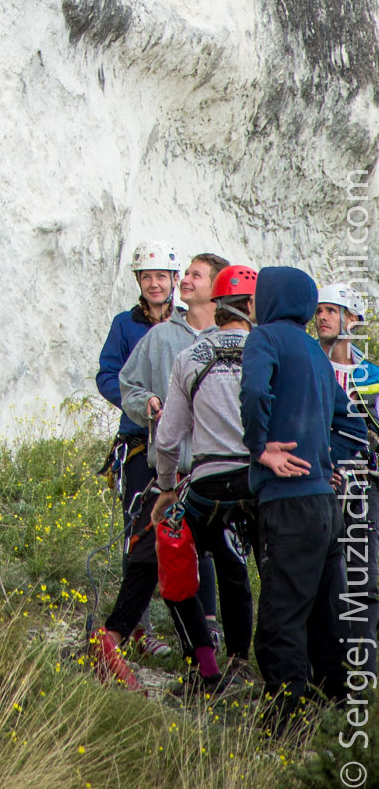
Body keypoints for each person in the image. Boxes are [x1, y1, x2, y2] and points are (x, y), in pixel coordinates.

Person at [93, 252, 231, 686]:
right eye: (148, 276)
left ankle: (216, 652)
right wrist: (143, 406)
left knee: (207, 558)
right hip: (162, 459)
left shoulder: (226, 342)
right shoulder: (146, 335)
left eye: (188, 275)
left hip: (212, 469)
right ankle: (133, 639)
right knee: (158, 553)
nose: (164, 283)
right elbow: (117, 379)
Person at [240, 265, 367, 728]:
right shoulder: (317, 353)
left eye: (258, 294)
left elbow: (254, 390)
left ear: (272, 299)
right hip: (324, 507)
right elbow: (353, 425)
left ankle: (286, 724)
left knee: (279, 621)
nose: (253, 304)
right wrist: (325, 462)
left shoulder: (266, 338)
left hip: (288, 501)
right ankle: (336, 719)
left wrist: (261, 449)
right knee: (322, 617)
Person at [151, 265, 260, 695]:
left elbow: (168, 437)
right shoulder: (266, 351)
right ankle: (243, 662)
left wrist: (165, 487)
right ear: (251, 306)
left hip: (208, 481)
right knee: (246, 573)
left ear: (217, 304)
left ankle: (205, 665)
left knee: (177, 566)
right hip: (258, 480)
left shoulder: (190, 357)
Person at [95, 242, 180, 649]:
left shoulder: (185, 327)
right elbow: (108, 375)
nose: (154, 284)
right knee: (139, 532)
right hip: (138, 439)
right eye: (147, 277)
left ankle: (201, 630)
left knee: (192, 532)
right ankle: (140, 628)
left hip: (183, 440)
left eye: (161, 276)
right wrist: (139, 401)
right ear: (139, 282)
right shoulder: (124, 326)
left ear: (174, 280)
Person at [315, 283, 378, 681]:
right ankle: (326, 673)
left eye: (331, 310)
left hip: (362, 484)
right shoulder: (308, 363)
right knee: (322, 578)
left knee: (362, 578)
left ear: (351, 320)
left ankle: (364, 675)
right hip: (318, 483)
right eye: (318, 310)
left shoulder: (369, 374)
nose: (321, 317)